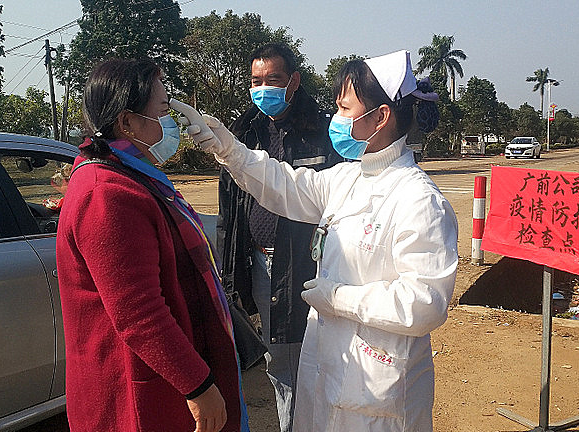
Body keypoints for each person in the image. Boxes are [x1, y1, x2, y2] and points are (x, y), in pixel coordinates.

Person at [191, 50, 458, 431]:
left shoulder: (419, 200)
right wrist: (231, 151)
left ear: (380, 116)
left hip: (379, 385)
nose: (336, 119)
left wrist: (338, 298)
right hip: (331, 364)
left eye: (345, 109)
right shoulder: (349, 178)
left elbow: (425, 303)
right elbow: (286, 185)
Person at [56, 58, 249, 432]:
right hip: (138, 392)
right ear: (127, 122)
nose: (170, 122)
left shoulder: (133, 177)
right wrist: (198, 385)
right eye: (163, 111)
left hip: (162, 375)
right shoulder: (106, 195)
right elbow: (139, 313)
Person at [217, 43, 341, 431]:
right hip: (258, 263)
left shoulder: (322, 133)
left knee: (309, 359)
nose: (263, 89)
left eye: (273, 79)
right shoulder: (242, 133)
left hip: (306, 264)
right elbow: (228, 212)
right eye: (256, 81)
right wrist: (230, 271)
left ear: (294, 81)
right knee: (280, 361)